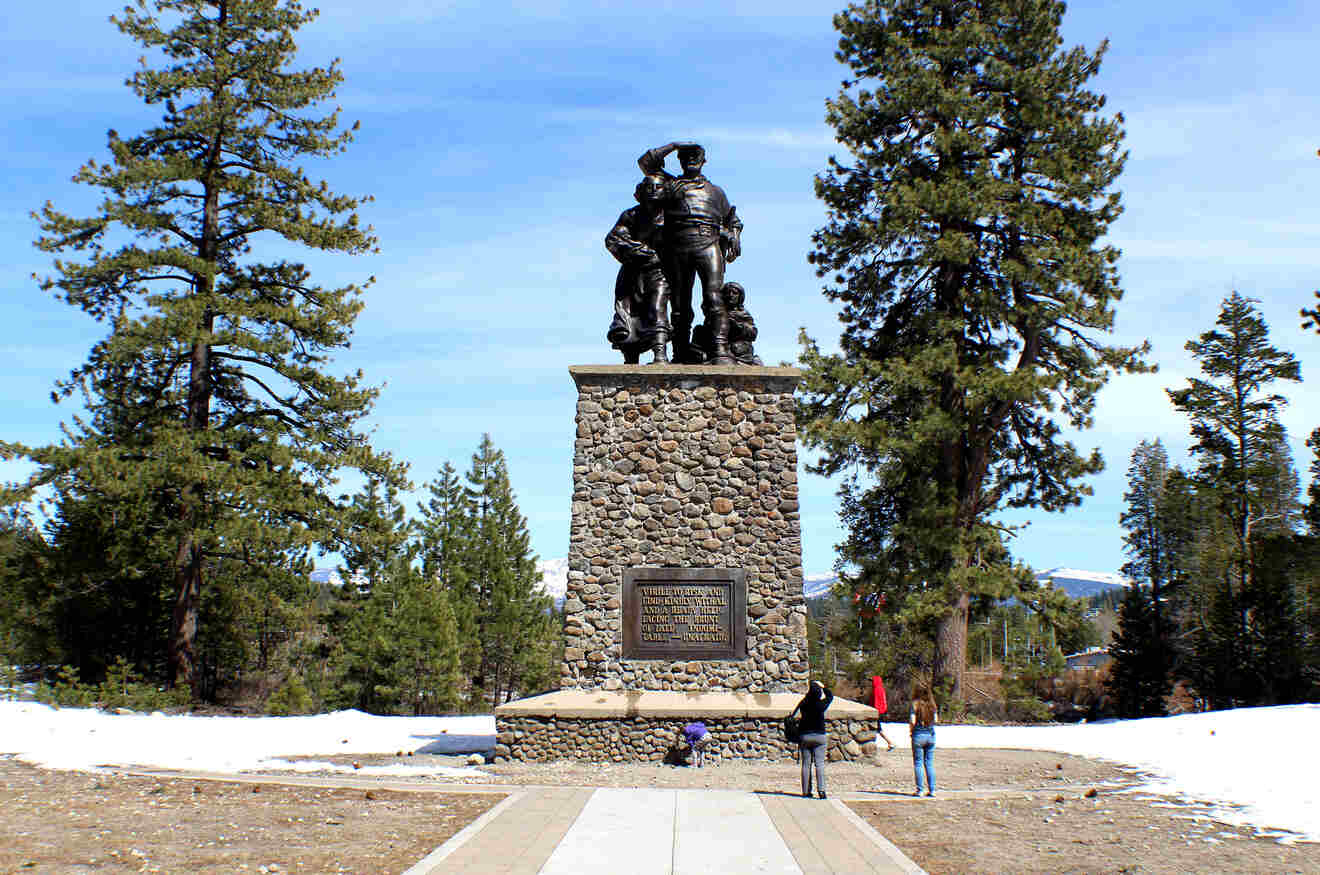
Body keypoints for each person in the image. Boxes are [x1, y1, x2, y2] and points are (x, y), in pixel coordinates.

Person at [637, 141, 743, 365]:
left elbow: (733, 219)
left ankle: (720, 350)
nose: (691, 159)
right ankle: (680, 352)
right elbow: (646, 162)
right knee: (679, 303)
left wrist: (734, 236)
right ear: (680, 160)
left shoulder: (716, 192)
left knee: (714, 298)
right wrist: (674, 145)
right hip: (678, 246)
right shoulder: (671, 185)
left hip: (709, 244)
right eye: (686, 156)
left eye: (696, 155)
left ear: (704, 161)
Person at [605, 174, 672, 364]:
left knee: (657, 307)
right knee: (630, 312)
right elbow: (613, 239)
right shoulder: (631, 215)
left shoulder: (673, 216)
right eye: (648, 187)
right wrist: (643, 251)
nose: (653, 190)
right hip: (633, 272)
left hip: (661, 272)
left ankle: (660, 354)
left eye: (658, 187)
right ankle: (630, 356)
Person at [690, 282, 762, 365]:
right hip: (717, 348)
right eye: (727, 293)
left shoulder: (743, 314)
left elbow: (753, 333)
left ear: (740, 297)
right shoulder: (716, 313)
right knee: (699, 330)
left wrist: (738, 326)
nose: (730, 295)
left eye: (734, 293)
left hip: (737, 349)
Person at [790, 680, 833, 799]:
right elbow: (830, 696)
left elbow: (796, 711)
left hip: (805, 735)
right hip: (819, 736)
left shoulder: (804, 703)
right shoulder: (821, 704)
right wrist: (823, 686)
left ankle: (806, 791)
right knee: (819, 764)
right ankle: (822, 791)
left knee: (806, 764)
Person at [909, 683, 938, 797]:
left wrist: (911, 731)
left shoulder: (915, 704)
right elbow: (936, 720)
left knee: (918, 763)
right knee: (929, 763)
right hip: (930, 735)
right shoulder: (932, 705)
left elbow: (912, 720)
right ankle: (932, 790)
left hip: (918, 735)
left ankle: (920, 790)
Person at [870, 674, 896, 752]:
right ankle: (890, 743)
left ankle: (890, 743)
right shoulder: (880, 688)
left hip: (877, 712)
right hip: (879, 711)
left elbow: (877, 702)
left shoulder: (877, 689)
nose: (871, 683)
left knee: (878, 728)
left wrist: (874, 711)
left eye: (872, 681)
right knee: (877, 728)